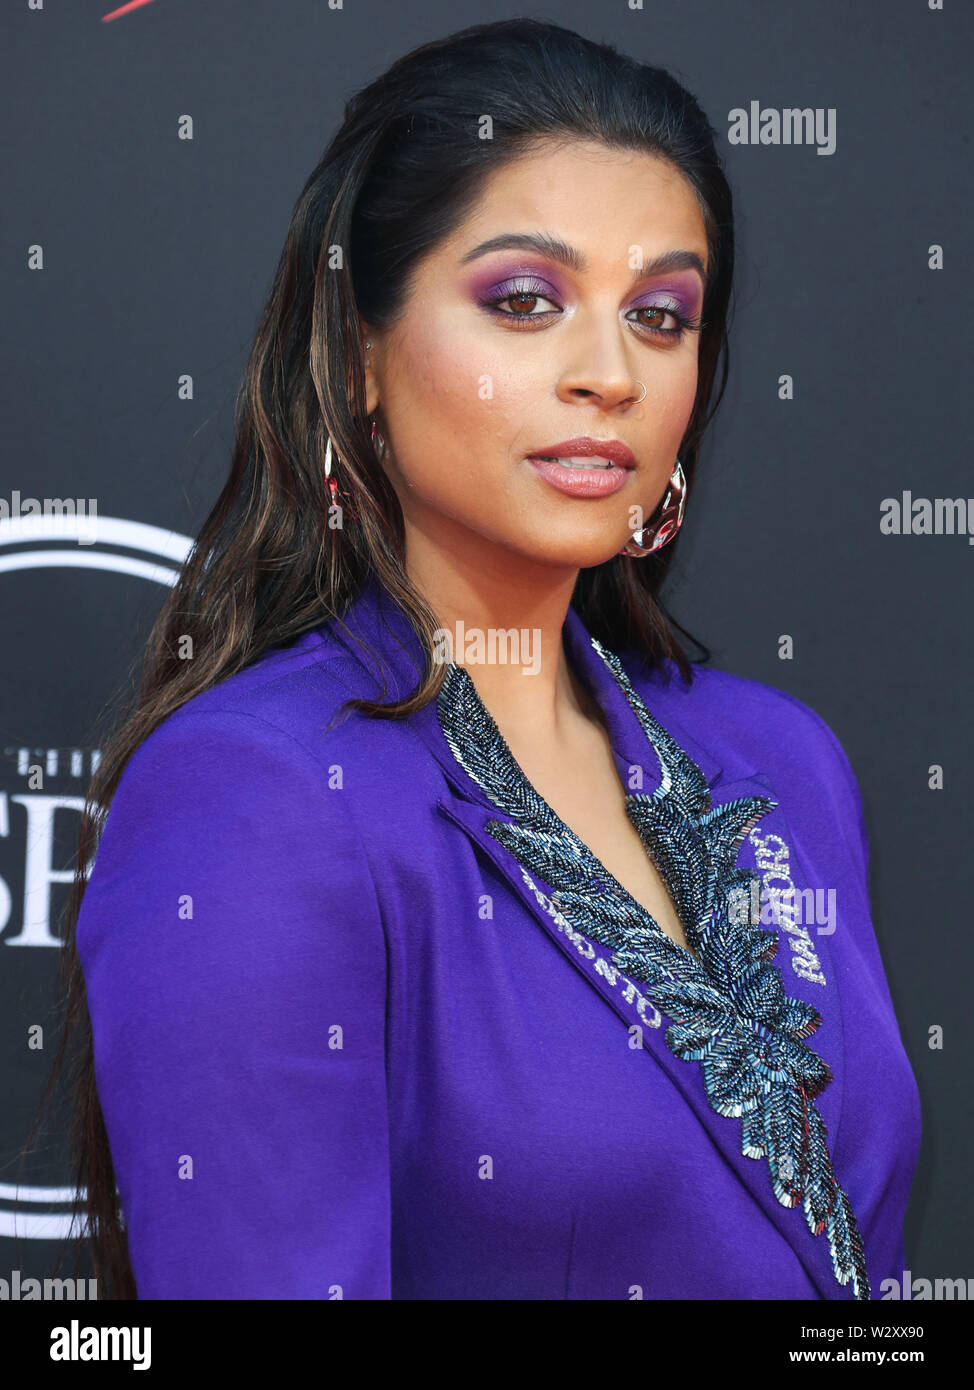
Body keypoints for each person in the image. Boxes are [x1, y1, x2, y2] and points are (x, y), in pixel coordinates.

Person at [50, 18, 920, 1299]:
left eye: (660, 315)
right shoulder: (254, 800)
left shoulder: (780, 760)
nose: (608, 373)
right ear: (357, 354)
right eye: (523, 301)